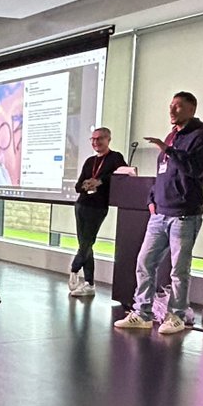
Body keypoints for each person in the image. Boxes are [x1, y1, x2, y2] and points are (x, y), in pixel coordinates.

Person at [114, 91, 203, 335]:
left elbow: (193, 168)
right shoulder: (172, 137)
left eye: (178, 106)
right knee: (144, 262)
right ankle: (142, 313)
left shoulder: (200, 138)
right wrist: (151, 198)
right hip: (159, 214)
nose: (172, 110)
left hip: (183, 216)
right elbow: (163, 173)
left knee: (179, 270)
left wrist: (167, 150)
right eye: (171, 106)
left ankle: (177, 316)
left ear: (192, 109)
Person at [68, 127, 126, 297]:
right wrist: (86, 185)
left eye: (100, 138)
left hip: (98, 206)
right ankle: (90, 284)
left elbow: (123, 175)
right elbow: (78, 186)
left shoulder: (115, 158)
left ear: (108, 139)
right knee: (85, 245)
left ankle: (74, 268)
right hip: (82, 205)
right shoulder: (89, 161)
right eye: (93, 139)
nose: (96, 142)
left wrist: (100, 181)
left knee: (87, 241)